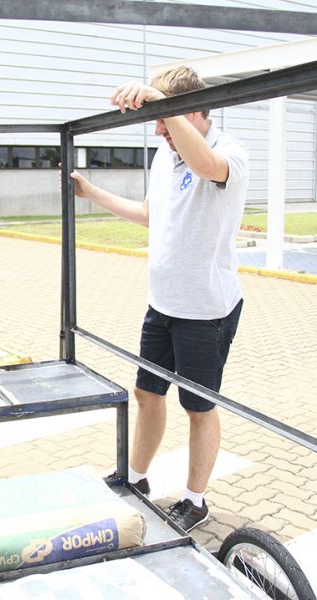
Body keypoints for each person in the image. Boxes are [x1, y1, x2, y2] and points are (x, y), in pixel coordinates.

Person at [70, 66, 248, 532]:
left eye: (163, 119)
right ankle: (135, 478)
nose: (157, 130)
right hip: (163, 305)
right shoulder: (164, 156)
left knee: (199, 407)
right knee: (147, 394)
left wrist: (156, 98)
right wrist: (91, 193)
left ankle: (195, 500)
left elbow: (207, 167)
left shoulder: (230, 153)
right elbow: (152, 215)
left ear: (189, 111)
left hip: (205, 312)